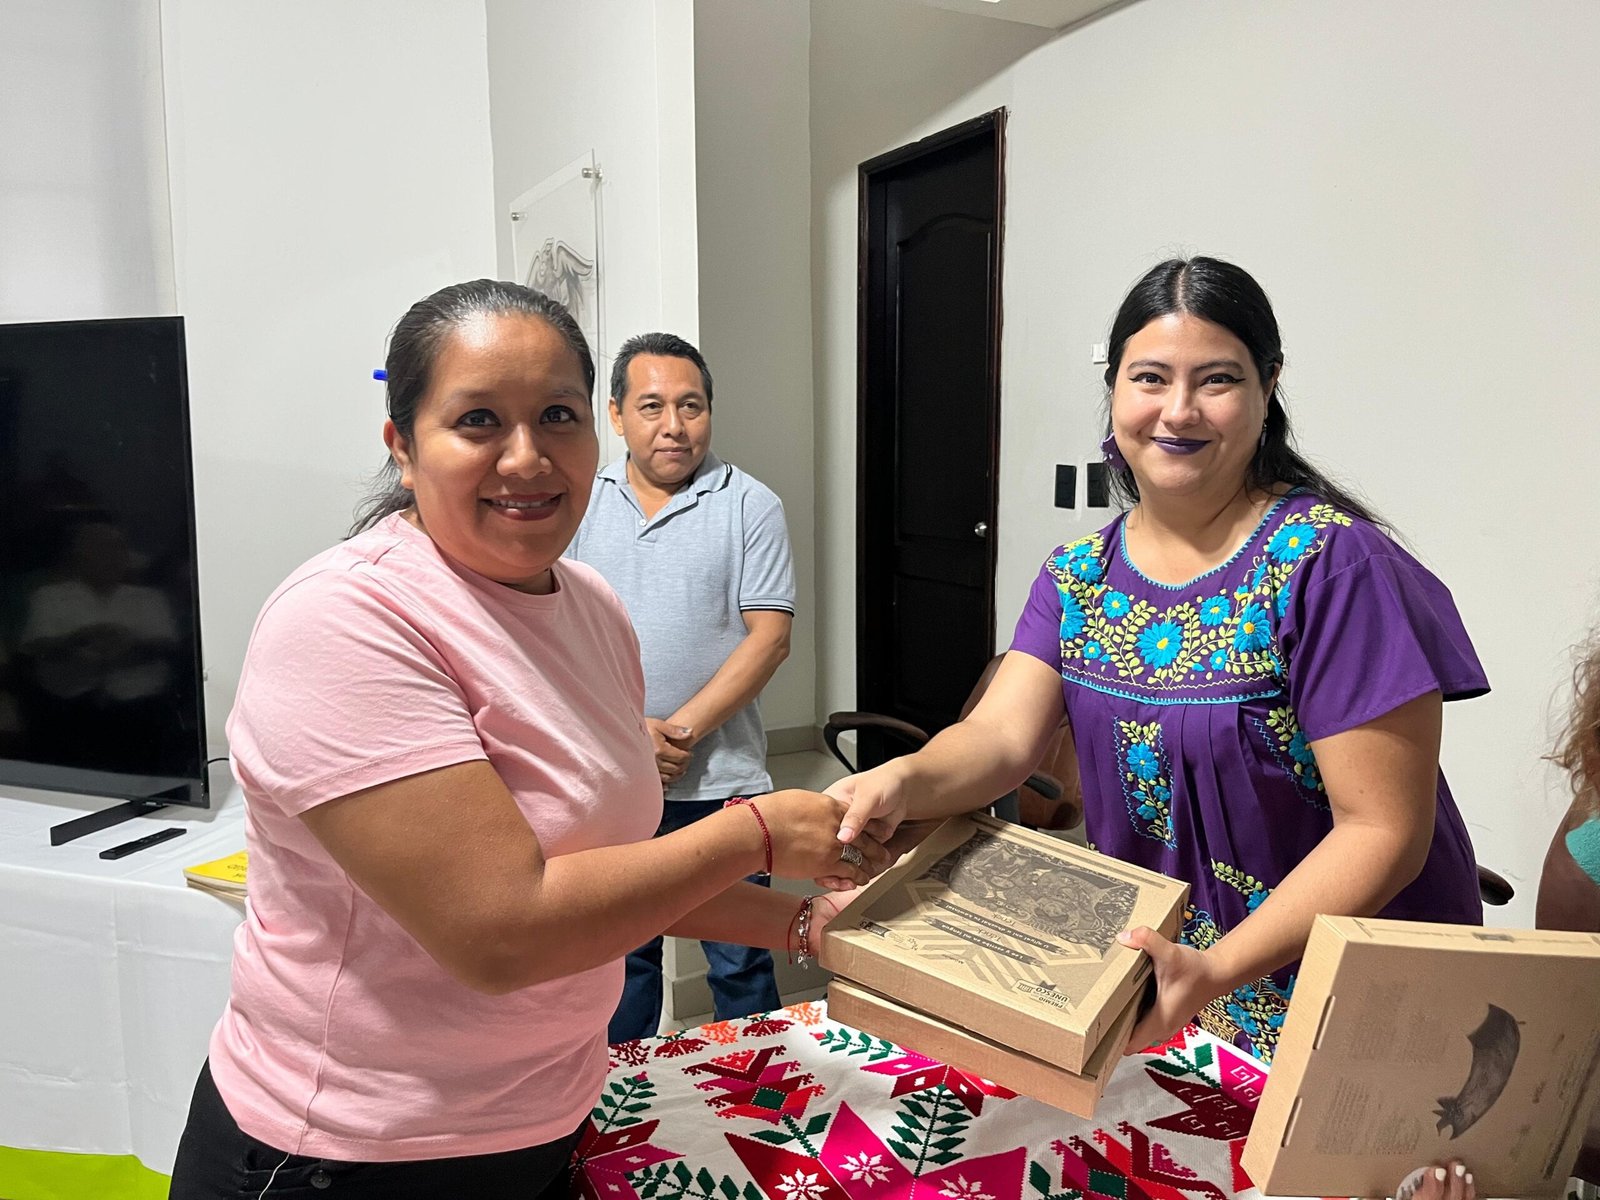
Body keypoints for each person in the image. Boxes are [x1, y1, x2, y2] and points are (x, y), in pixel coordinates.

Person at [167, 280, 882, 1200]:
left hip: (544, 1117)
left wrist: (799, 923)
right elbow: (503, 934)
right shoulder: (347, 621)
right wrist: (758, 834)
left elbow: (603, 875)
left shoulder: (591, 607)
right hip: (353, 1153)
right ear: (401, 445)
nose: (526, 457)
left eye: (556, 416)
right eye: (477, 421)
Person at [828, 256, 1489, 1066]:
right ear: (1113, 387)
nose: (1178, 411)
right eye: (1149, 378)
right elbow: (1000, 740)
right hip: (1173, 985)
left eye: (1218, 380)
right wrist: (902, 779)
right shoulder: (1078, 576)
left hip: (1350, 996)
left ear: (1268, 385)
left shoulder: (1331, 567)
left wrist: (1217, 970)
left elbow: (1383, 829)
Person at [568, 332, 794, 1042]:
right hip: (609, 779)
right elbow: (552, 633)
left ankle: (760, 1092)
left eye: (691, 406)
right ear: (615, 415)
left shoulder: (751, 504)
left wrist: (677, 734)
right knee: (621, 960)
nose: (674, 425)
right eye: (652, 406)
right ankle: (621, 1098)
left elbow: (769, 639)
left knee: (740, 959)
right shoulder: (577, 503)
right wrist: (628, 738)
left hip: (722, 784)